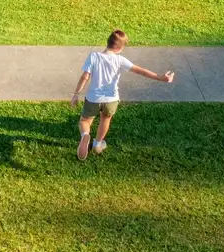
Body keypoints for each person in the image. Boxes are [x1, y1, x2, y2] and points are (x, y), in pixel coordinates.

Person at [71, 30, 175, 159]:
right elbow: (141, 71)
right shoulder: (120, 60)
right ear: (120, 48)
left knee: (85, 121)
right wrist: (161, 77)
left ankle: (85, 135)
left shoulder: (94, 57)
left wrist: (76, 94)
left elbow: (85, 77)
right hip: (111, 99)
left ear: (108, 42)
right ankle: (97, 144)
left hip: (93, 98)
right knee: (105, 119)